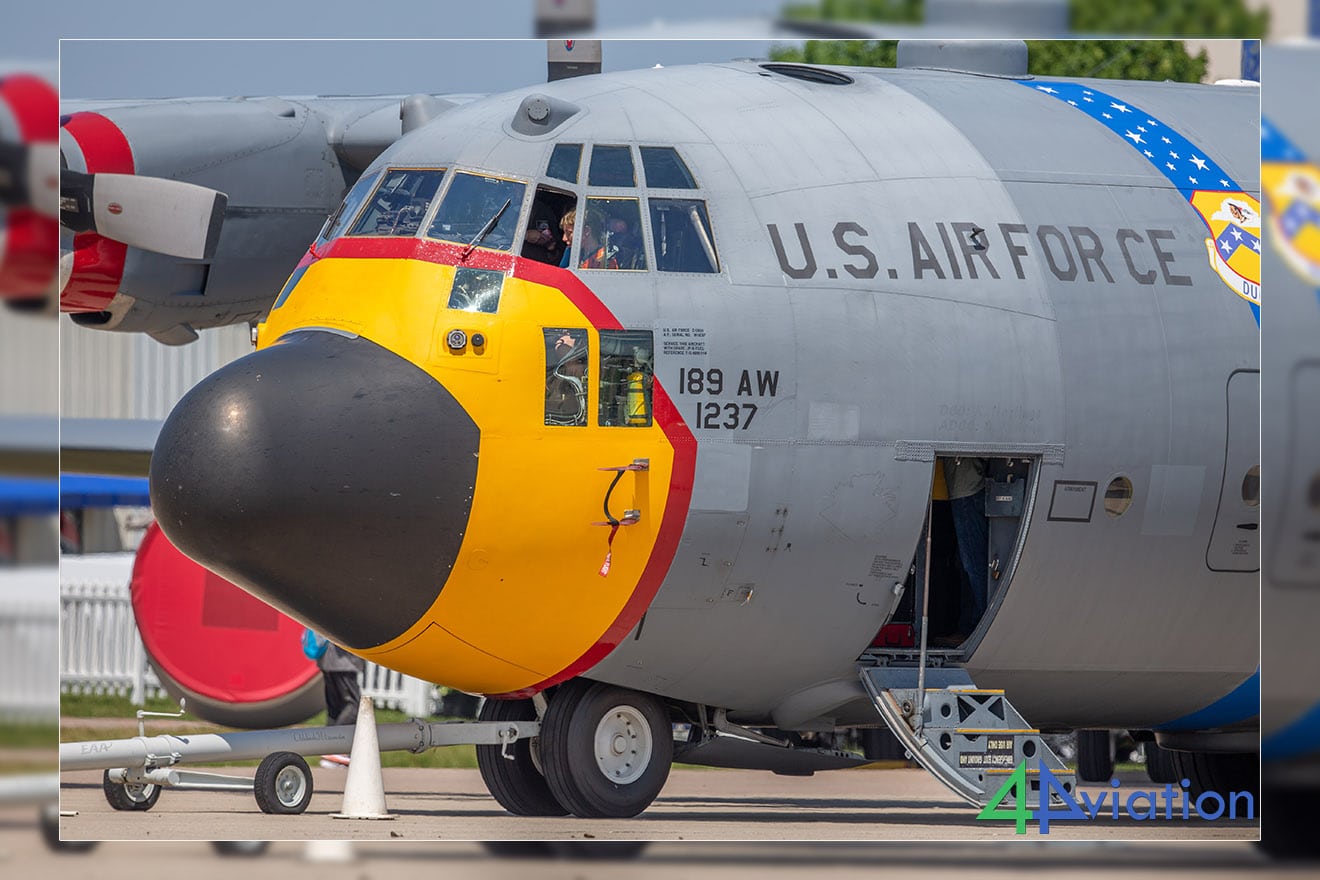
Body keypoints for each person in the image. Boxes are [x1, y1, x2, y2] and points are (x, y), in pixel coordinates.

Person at [940, 457, 989, 644]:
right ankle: (968, 627)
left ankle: (978, 628)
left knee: (973, 564)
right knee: (965, 564)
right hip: (964, 490)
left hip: (967, 491)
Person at [302, 627, 366, 766]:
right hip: (343, 661)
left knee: (335, 708)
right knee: (354, 706)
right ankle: (334, 749)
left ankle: (329, 752)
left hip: (327, 660)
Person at [521, 198, 562, 264]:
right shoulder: (509, 207)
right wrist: (525, 235)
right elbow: (504, 233)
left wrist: (549, 243)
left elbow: (556, 241)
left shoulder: (543, 211)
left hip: (538, 260)